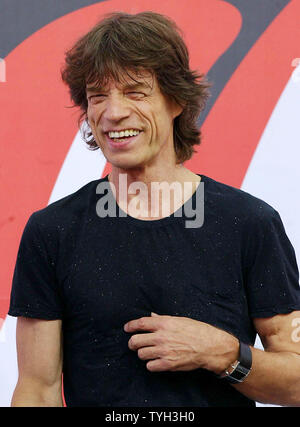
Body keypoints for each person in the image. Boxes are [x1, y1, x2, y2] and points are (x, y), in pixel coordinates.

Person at [9, 11, 300, 407]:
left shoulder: (250, 224)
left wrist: (224, 353)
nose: (113, 113)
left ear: (176, 99)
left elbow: (296, 382)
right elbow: (36, 391)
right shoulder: (52, 232)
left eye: (134, 92)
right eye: (98, 96)